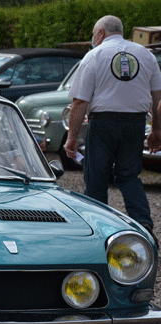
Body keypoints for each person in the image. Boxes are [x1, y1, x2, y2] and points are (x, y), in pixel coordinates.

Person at [64, 15, 161, 242]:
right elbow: (158, 97)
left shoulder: (94, 56)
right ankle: (145, 225)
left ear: (100, 33)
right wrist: (157, 130)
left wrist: (72, 137)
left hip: (103, 123)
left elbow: (79, 102)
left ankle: (99, 232)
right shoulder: (146, 55)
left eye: (93, 34)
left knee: (96, 177)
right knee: (129, 176)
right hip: (135, 123)